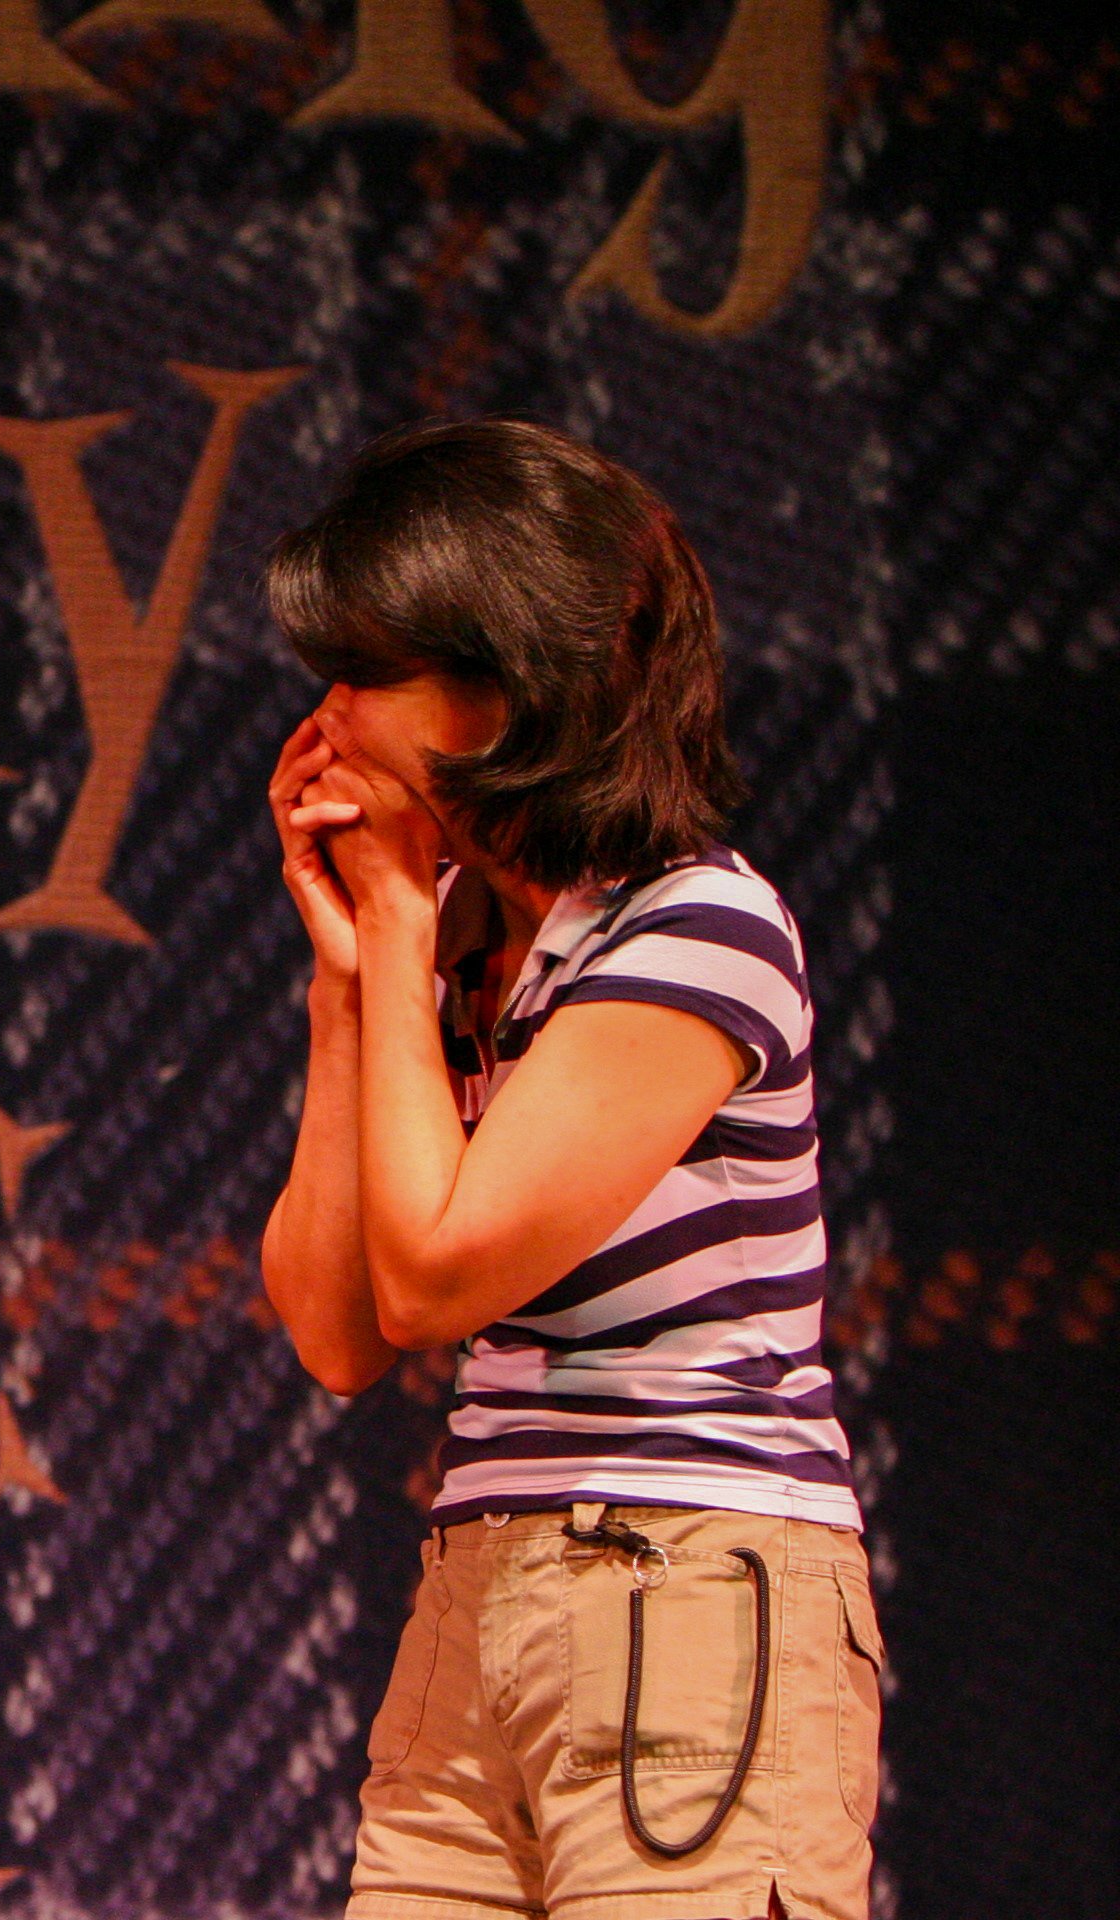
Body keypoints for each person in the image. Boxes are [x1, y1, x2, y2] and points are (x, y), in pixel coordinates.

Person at [255, 419, 883, 1920]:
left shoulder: (698, 928)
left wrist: (396, 922)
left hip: (688, 1583)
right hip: (479, 1588)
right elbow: (338, 1332)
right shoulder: (464, 939)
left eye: (370, 673)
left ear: (513, 688)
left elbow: (437, 1278)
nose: (326, 719)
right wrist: (353, 982)